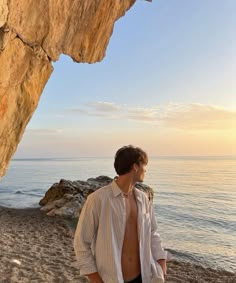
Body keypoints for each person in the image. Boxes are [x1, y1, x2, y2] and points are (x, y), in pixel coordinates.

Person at [74, 145, 167, 283]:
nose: (145, 170)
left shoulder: (143, 198)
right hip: (111, 278)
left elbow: (153, 233)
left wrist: (161, 262)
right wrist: (95, 279)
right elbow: (81, 243)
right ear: (135, 166)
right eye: (143, 165)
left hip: (143, 277)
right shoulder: (98, 199)